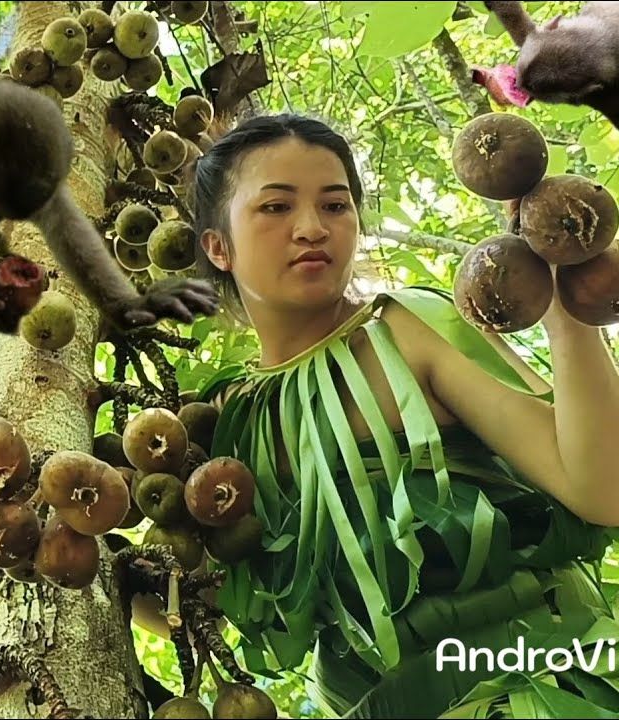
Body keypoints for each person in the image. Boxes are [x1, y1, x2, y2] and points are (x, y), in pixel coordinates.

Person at [179, 113, 619, 718]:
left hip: (548, 688)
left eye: (335, 206)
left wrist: (567, 299)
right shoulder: (230, 423)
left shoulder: (408, 328)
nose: (312, 228)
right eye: (276, 208)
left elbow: (604, 492)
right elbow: (197, 600)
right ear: (218, 246)